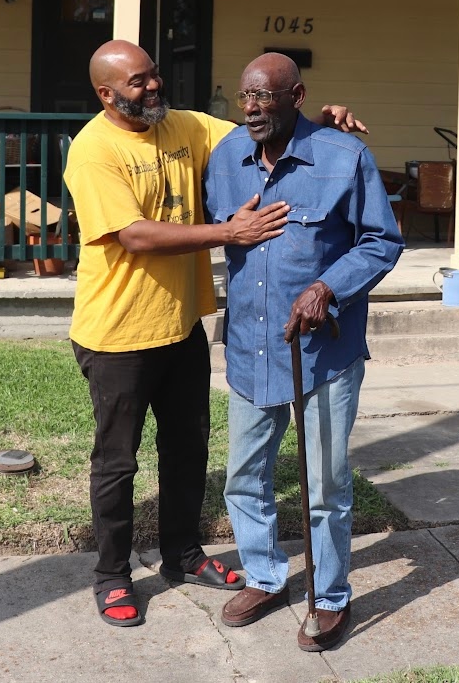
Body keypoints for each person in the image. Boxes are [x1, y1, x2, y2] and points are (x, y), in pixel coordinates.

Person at [63, 40, 363, 628]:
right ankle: (112, 575)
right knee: (118, 462)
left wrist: (320, 119)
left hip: (179, 326)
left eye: (154, 76)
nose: (153, 88)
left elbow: (266, 123)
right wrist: (230, 233)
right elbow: (135, 235)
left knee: (187, 450)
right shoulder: (93, 150)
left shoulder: (186, 126)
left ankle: (180, 554)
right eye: (138, 83)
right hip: (116, 332)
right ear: (106, 94)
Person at [203, 53, 403, 652]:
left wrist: (328, 287)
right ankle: (265, 576)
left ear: (297, 95)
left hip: (322, 354)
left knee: (325, 483)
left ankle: (330, 596)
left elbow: (381, 241)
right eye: (247, 97)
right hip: (249, 349)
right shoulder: (225, 158)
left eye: (267, 95)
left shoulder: (346, 157)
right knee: (244, 477)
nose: (255, 107)